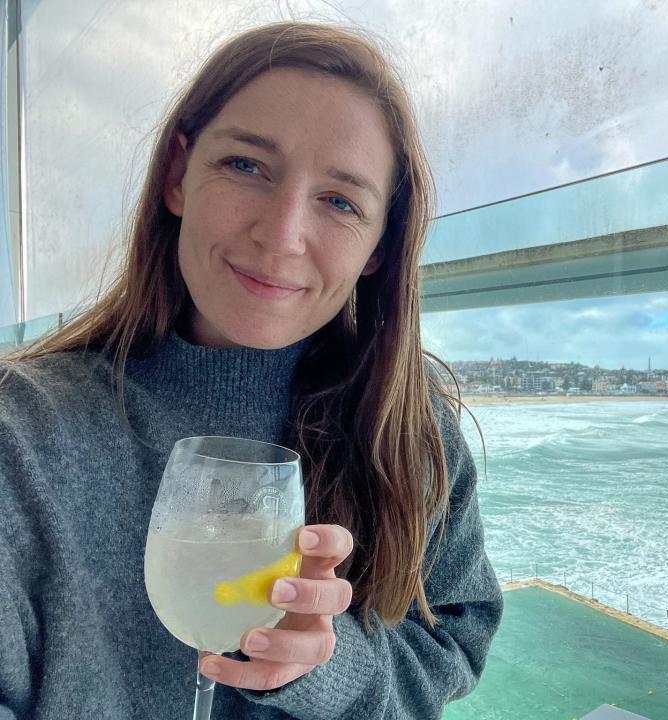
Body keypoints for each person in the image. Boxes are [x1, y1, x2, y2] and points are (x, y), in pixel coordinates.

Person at [0, 22, 502, 719]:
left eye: (340, 201)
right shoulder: (21, 434)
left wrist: (331, 664)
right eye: (246, 166)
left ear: (379, 248)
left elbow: (450, 649)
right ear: (178, 175)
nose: (281, 234)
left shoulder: (410, 431)